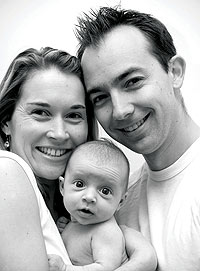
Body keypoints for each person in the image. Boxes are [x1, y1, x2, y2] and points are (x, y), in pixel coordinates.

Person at [75, 6, 200, 271]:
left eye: (132, 81)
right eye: (100, 98)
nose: (120, 110)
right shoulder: (116, 201)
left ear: (175, 72)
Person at [0, 46, 97, 270]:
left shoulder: (80, 208)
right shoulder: (7, 170)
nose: (60, 133)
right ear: (6, 121)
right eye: (41, 113)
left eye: (74, 115)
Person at [48, 139, 157, 271]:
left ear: (120, 202)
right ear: (62, 187)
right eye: (79, 184)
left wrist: (65, 269)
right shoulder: (73, 224)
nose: (89, 197)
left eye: (105, 191)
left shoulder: (106, 232)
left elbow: (104, 268)